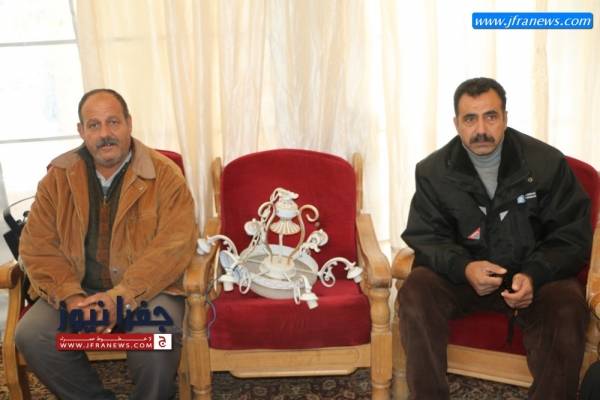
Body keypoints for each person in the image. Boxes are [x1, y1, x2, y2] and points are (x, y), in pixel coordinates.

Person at [399, 77, 592, 399]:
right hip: (464, 278)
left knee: (567, 305)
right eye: (470, 119)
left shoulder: (547, 164)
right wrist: (463, 268)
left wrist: (534, 275)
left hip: (533, 279)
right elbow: (427, 237)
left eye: (490, 116)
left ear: (505, 118)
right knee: (416, 290)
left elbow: (571, 235)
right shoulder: (432, 171)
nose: (481, 129)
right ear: (456, 124)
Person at [15, 88, 198, 400]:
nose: (105, 134)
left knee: (156, 337)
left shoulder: (165, 176)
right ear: (81, 131)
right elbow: (37, 246)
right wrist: (72, 297)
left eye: (113, 122)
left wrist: (120, 298)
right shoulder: (57, 178)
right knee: (33, 335)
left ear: (129, 123)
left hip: (147, 293)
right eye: (94, 125)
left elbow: (173, 247)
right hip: (78, 292)